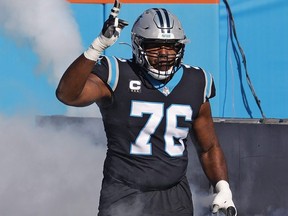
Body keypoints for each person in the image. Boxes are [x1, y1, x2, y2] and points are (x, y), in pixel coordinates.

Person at [56, 1, 237, 216]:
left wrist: (222, 186)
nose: (163, 53)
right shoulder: (116, 73)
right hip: (124, 190)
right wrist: (97, 46)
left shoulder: (197, 80)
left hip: (175, 194)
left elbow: (208, 147)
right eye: (154, 45)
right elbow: (68, 95)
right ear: (137, 45)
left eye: (171, 46)